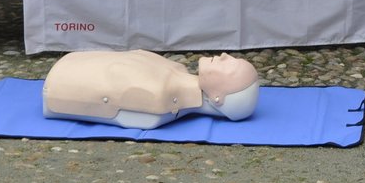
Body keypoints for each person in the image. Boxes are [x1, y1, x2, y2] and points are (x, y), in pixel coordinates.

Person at [42, 50, 260, 130]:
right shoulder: (174, 71)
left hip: (60, 80)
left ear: (218, 98)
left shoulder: (160, 99)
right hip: (70, 66)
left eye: (230, 66)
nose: (224, 56)